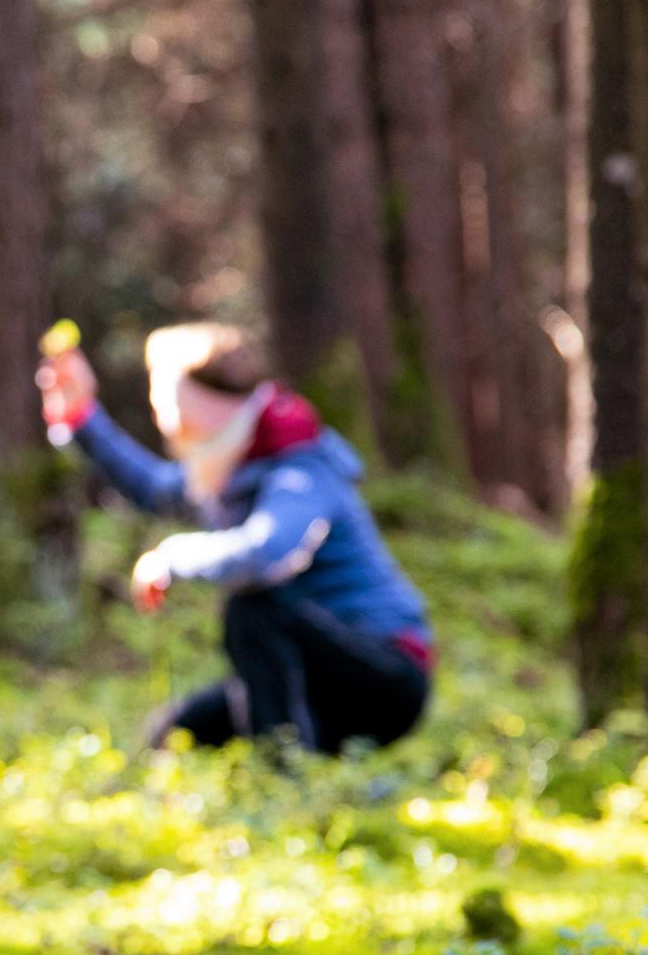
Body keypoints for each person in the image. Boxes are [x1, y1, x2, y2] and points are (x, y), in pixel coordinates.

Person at [37, 322, 433, 753]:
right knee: (177, 731)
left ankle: (284, 780)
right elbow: (154, 488)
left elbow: (265, 552)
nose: (157, 410)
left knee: (254, 607)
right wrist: (80, 416)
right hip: (315, 676)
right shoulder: (229, 462)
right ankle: (293, 774)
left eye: (161, 391)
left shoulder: (300, 465)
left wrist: (171, 557)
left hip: (389, 675)